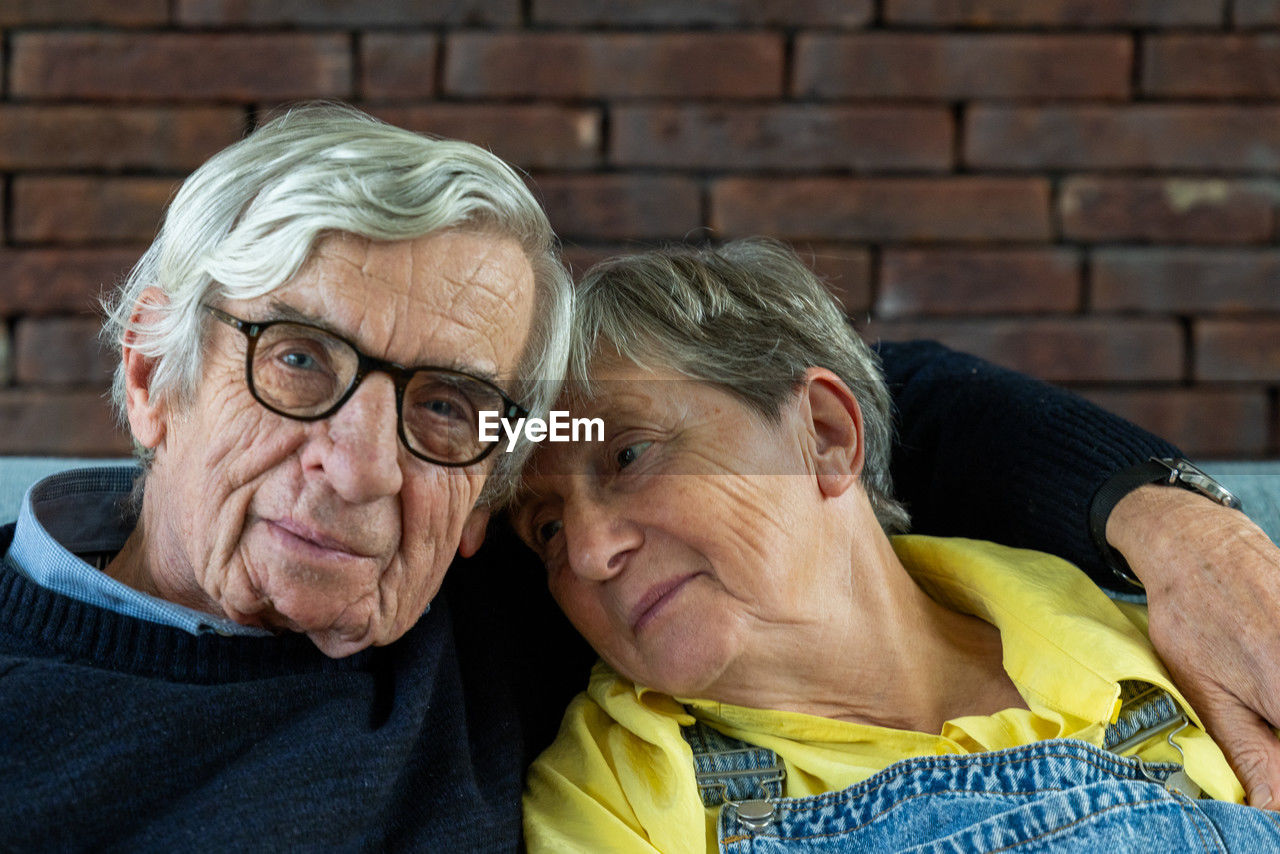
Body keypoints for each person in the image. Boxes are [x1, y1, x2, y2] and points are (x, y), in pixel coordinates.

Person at [0, 103, 1277, 848]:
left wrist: (1176, 527)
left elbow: (869, 400)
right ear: (148, 372)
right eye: (295, 357)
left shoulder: (512, 586)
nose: (361, 466)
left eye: (446, 404)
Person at [514, 239, 1280, 851]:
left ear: (822, 434)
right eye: (544, 527)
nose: (585, 552)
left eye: (629, 455)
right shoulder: (618, 787)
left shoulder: (1161, 638)